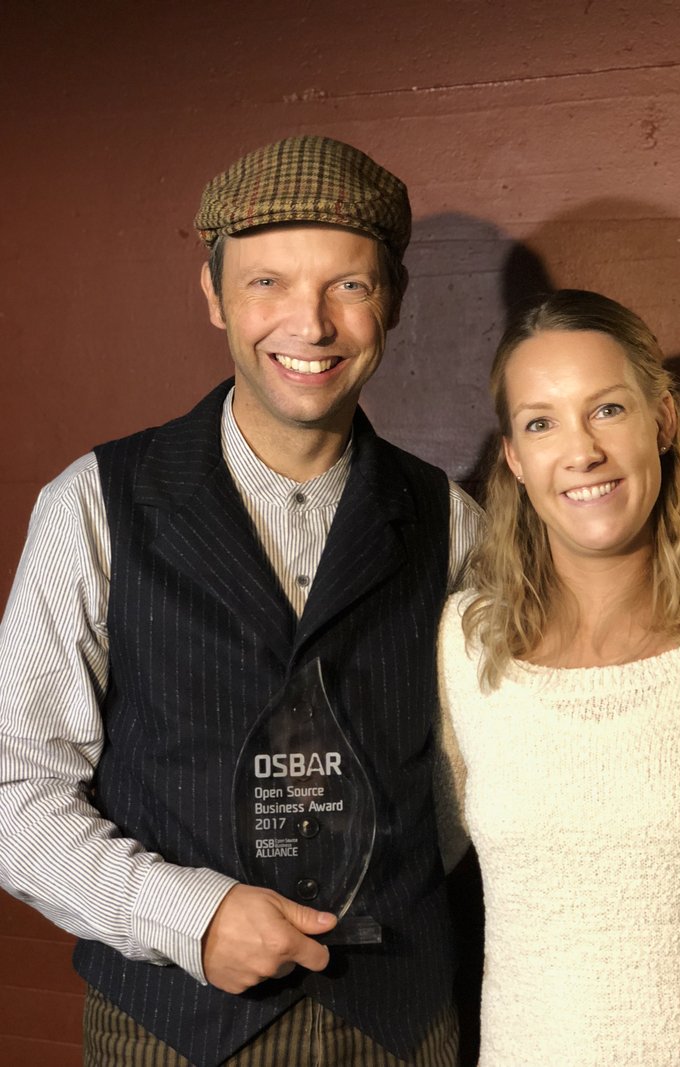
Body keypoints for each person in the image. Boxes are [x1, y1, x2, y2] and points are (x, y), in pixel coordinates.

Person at [0, 136, 482, 1067]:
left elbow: (510, 777)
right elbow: (14, 792)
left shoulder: (453, 522)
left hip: (404, 1027)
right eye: (267, 284)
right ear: (214, 293)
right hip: (171, 1030)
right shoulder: (93, 506)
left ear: (392, 301)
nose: (310, 324)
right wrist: (192, 913)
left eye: (347, 285)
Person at [436, 288, 680, 1065]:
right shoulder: (468, 646)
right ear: (514, 458)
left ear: (663, 421)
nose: (581, 451)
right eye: (541, 422)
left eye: (607, 409)